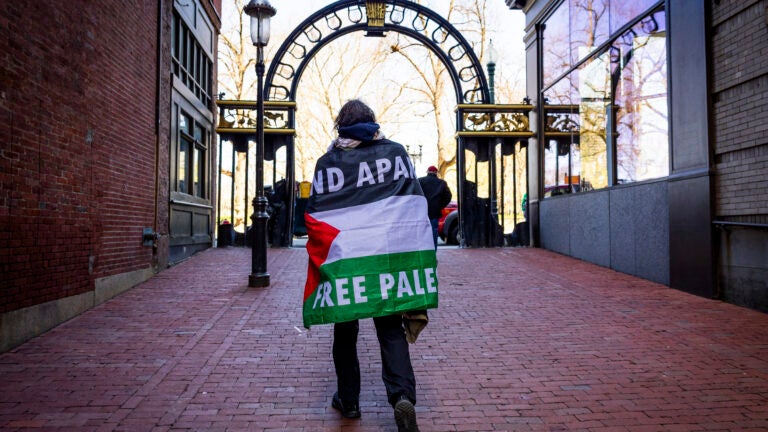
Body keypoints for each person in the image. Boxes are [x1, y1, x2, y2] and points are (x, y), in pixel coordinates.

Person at [305, 99, 428, 432]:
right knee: (390, 329)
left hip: (347, 259)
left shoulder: (328, 163)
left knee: (345, 331)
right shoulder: (396, 153)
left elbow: (315, 216)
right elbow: (412, 205)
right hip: (385, 260)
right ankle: (402, 396)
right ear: (372, 123)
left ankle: (349, 400)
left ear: (340, 125)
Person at [418, 165, 452, 249]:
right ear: (436, 173)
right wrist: (439, 206)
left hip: (422, 212)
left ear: (427, 172)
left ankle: (424, 254)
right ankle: (433, 254)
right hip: (435, 213)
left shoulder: (420, 181)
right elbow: (448, 196)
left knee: (422, 234)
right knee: (433, 234)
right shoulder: (442, 183)